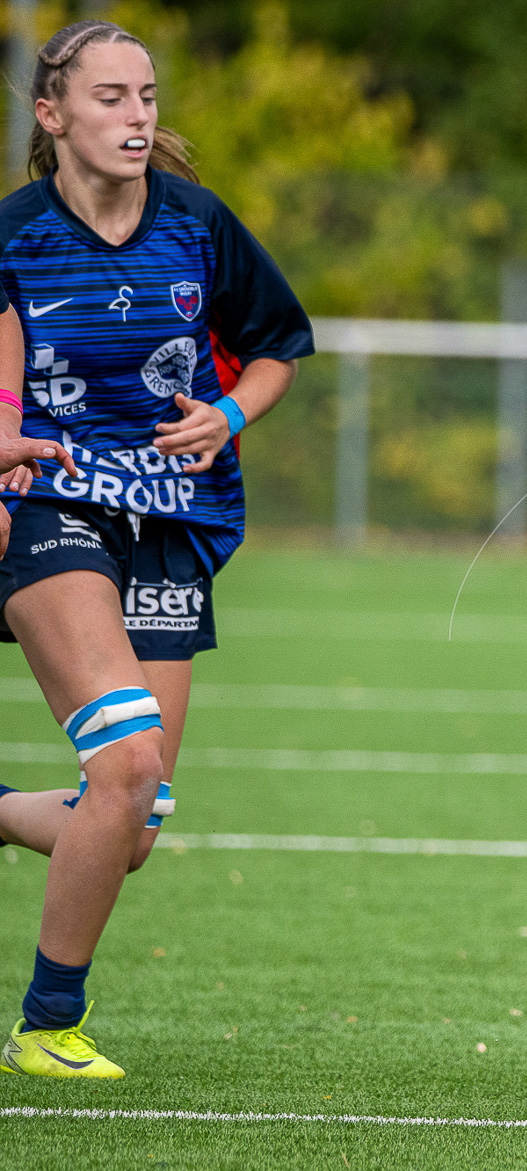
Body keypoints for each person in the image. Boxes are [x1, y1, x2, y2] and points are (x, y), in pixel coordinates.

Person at [0, 19, 312, 1080]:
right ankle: (47, 1026)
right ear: (53, 115)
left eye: (146, 96)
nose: (137, 117)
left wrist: (228, 413)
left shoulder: (197, 223)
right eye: (110, 98)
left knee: (129, 824)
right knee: (127, 760)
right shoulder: (13, 238)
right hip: (51, 508)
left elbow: (279, 347)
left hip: (171, 523)